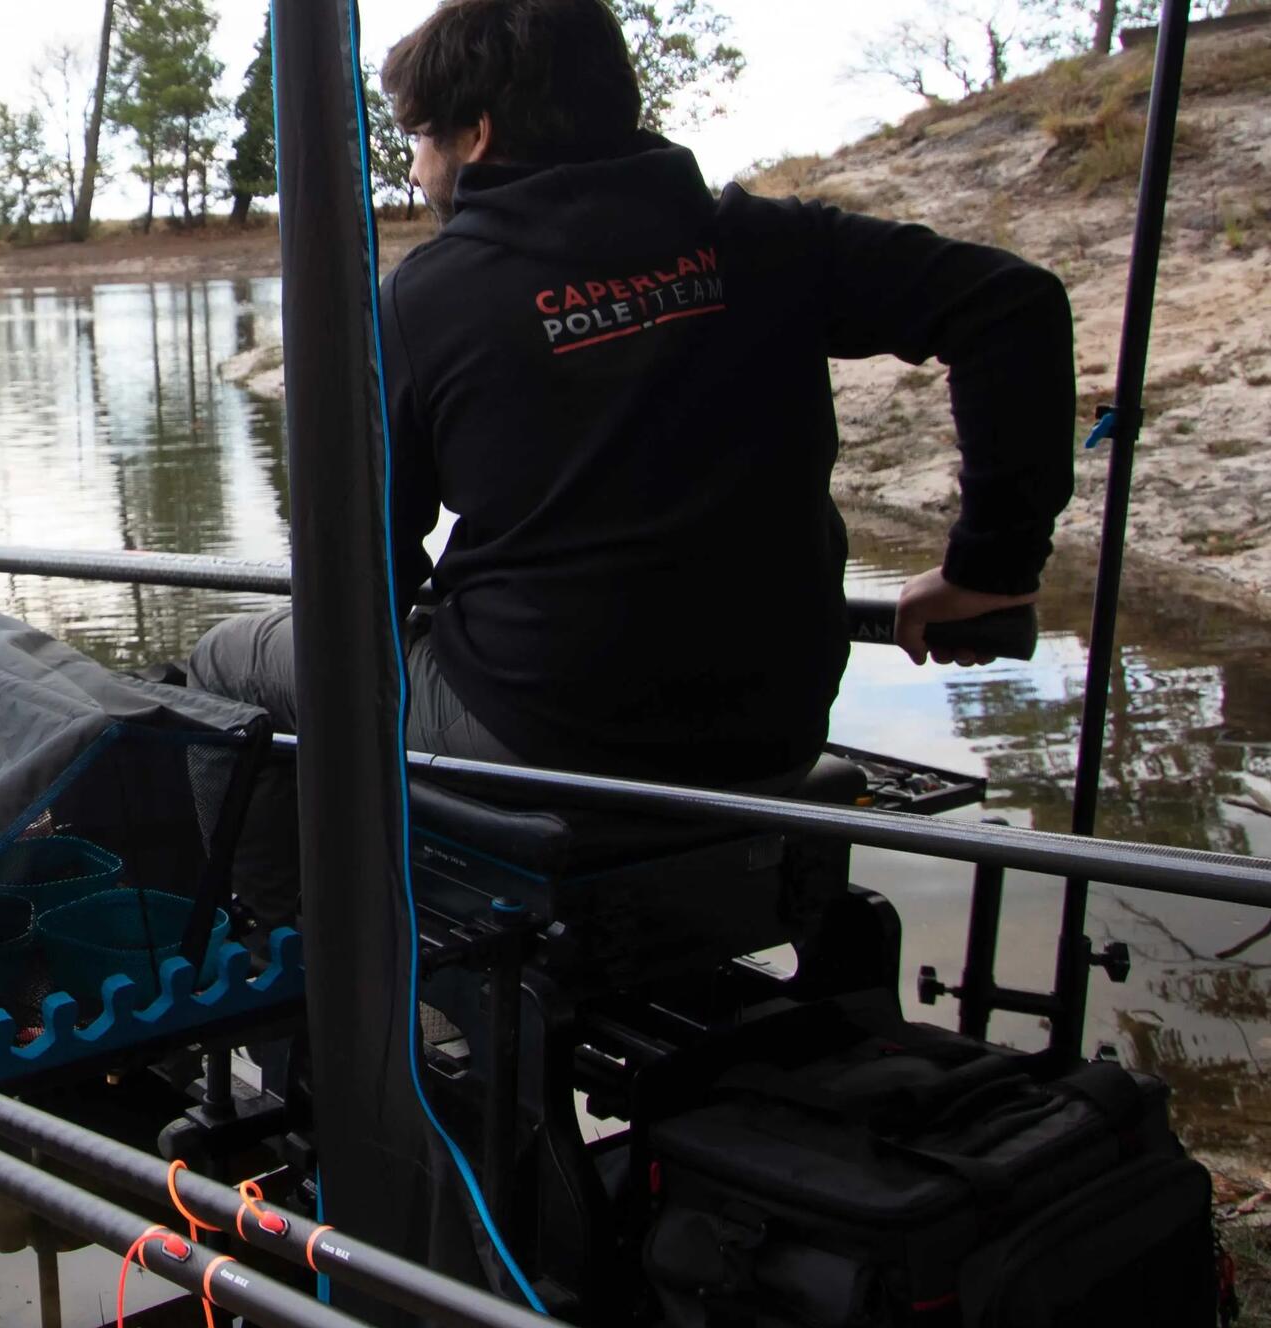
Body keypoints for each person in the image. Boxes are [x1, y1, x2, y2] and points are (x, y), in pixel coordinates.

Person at [190, 0, 1073, 926]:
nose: (413, 169)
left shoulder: (418, 302)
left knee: (225, 663)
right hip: (774, 724)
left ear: (478, 134)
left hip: (548, 732)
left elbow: (365, 580)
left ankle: (292, 969)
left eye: (417, 139)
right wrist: (991, 570)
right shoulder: (767, 239)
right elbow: (1011, 306)